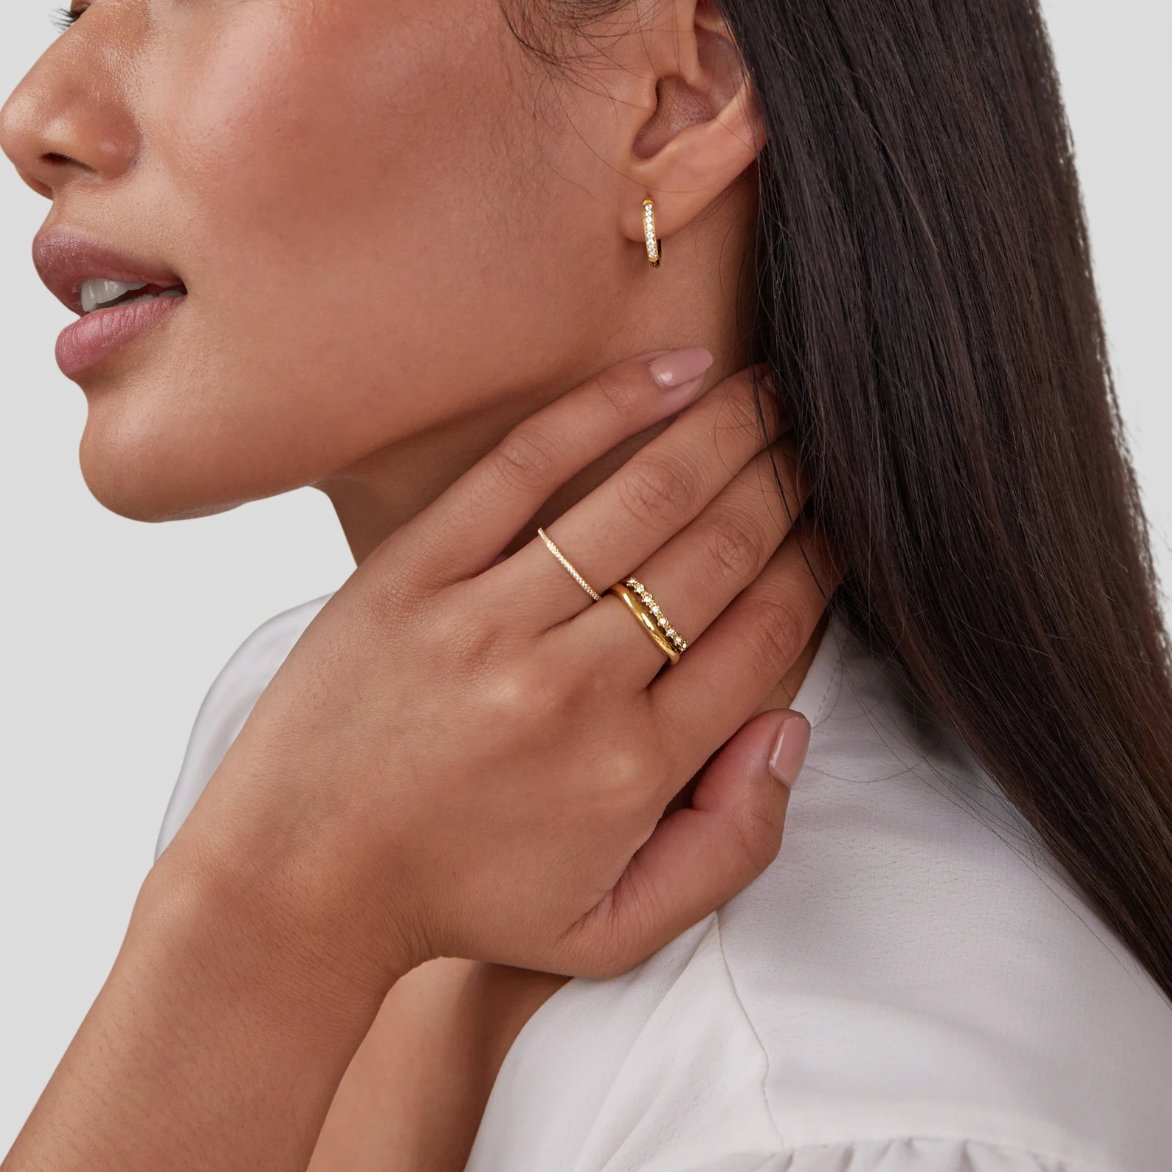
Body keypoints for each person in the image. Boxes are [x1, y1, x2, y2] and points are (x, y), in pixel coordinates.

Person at [0, 0, 1169, 1169]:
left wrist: (264, 924)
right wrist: (275, 916)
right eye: (76, 5)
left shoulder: (848, 1116)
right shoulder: (324, 741)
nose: (34, 116)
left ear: (674, 101)